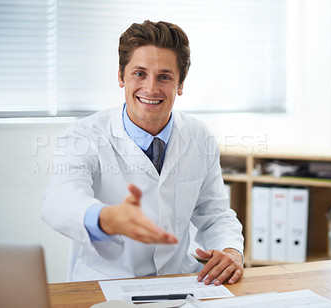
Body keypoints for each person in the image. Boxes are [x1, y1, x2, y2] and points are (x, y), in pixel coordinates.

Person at [41, 20, 244, 286]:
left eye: (164, 76)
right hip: (106, 284)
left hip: (178, 281)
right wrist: (106, 218)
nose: (150, 88)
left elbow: (214, 212)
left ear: (180, 84)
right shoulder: (84, 136)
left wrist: (230, 250)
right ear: (120, 76)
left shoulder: (199, 135)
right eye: (139, 73)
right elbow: (58, 200)